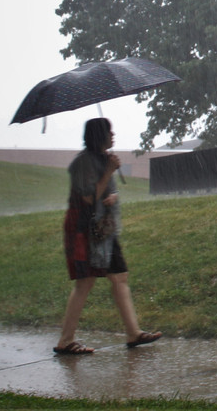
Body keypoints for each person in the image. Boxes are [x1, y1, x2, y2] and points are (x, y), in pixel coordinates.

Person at [53, 117, 161, 355]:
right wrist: (109, 171)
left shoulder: (103, 159)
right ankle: (65, 341)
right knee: (85, 283)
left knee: (120, 276)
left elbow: (103, 194)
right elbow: (88, 198)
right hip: (84, 230)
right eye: (109, 132)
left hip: (104, 229)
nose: (113, 136)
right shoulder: (82, 163)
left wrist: (113, 192)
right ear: (99, 135)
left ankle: (133, 333)